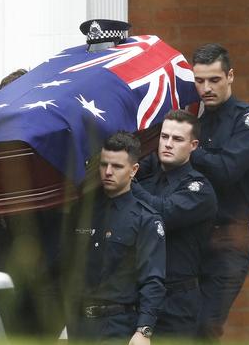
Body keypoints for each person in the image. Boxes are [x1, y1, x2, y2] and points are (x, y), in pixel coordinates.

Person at [189, 43, 249, 339]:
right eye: (199, 81)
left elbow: (226, 171)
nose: (206, 88)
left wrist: (188, 149)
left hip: (229, 239)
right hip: (190, 237)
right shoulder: (194, 120)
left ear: (230, 76)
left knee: (206, 326)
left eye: (214, 80)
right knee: (182, 325)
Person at [65, 132, 166, 344]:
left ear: (134, 170)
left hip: (117, 325)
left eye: (117, 166)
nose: (108, 172)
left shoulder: (145, 218)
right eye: (104, 164)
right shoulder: (84, 213)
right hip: (78, 325)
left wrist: (143, 331)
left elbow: (152, 280)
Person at [132, 110, 217, 338]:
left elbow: (162, 214)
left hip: (176, 301)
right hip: (138, 297)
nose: (168, 144)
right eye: (164, 137)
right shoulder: (147, 182)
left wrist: (127, 181)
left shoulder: (199, 189)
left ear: (193, 145)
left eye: (177, 139)